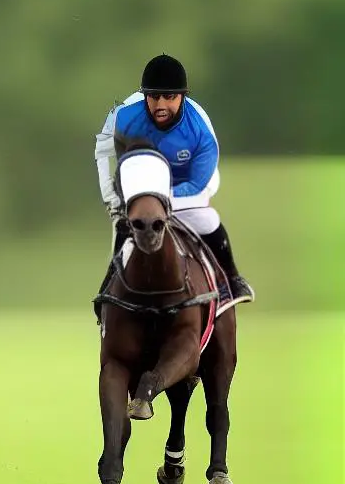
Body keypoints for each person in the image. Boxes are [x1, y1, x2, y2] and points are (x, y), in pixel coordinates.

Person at [94, 54, 255, 321]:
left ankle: (232, 279)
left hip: (187, 185)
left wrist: (161, 200)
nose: (160, 105)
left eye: (169, 97)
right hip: (143, 184)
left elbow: (198, 182)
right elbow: (111, 159)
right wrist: (119, 197)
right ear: (144, 96)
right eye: (154, 97)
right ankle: (110, 283)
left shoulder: (200, 131)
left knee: (207, 219)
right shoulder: (124, 119)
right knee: (126, 225)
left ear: (182, 97)